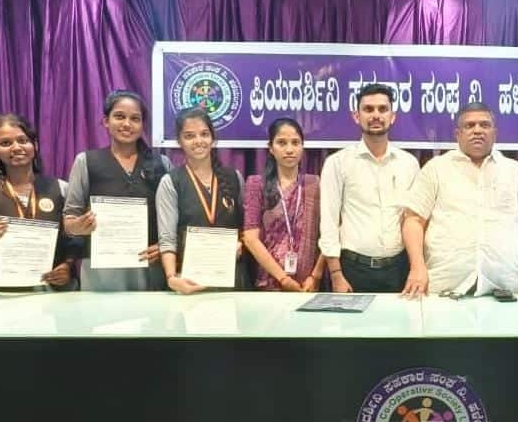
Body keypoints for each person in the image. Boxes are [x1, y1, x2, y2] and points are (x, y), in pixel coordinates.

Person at [400, 102, 518, 297]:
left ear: (494, 133)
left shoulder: (514, 171)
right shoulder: (436, 168)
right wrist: (417, 267)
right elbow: (413, 220)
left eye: (485, 125)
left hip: (504, 285)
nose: (477, 130)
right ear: (458, 134)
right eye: (469, 126)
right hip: (445, 283)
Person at [63, 90, 173, 291]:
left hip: (150, 267)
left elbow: (174, 219)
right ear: (106, 121)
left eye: (135, 119)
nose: (127, 124)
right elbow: (69, 220)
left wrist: (164, 248)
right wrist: (79, 226)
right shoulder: (86, 161)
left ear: (142, 125)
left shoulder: (162, 164)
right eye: (119, 116)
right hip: (102, 273)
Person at [319, 83, 420, 292]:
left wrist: (416, 266)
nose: (376, 115)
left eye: (382, 109)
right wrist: (336, 274)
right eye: (368, 109)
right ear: (356, 116)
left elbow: (414, 220)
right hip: (353, 270)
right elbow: (329, 222)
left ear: (393, 116)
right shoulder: (337, 162)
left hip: (399, 270)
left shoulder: (409, 163)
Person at [0, 113, 76, 290]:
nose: (16, 147)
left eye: (23, 140)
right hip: (2, 296)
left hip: (54, 295)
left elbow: (74, 240)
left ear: (35, 145)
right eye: (6, 143)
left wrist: (67, 266)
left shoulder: (61, 189)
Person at [156, 107, 246, 294]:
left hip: (233, 279)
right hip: (189, 282)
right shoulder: (171, 182)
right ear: (179, 141)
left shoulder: (234, 178)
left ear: (213, 138)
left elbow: (247, 229)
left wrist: (241, 244)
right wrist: (171, 278)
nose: (198, 141)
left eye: (204, 134)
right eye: (189, 136)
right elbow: (167, 239)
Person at [242, 117, 324, 291]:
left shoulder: (314, 184)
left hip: (308, 285)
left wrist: (315, 276)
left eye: (295, 143)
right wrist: (283, 279)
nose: (289, 150)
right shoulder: (257, 185)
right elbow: (250, 238)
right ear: (271, 148)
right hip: (269, 284)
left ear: (302, 147)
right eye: (281, 143)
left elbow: (330, 233)